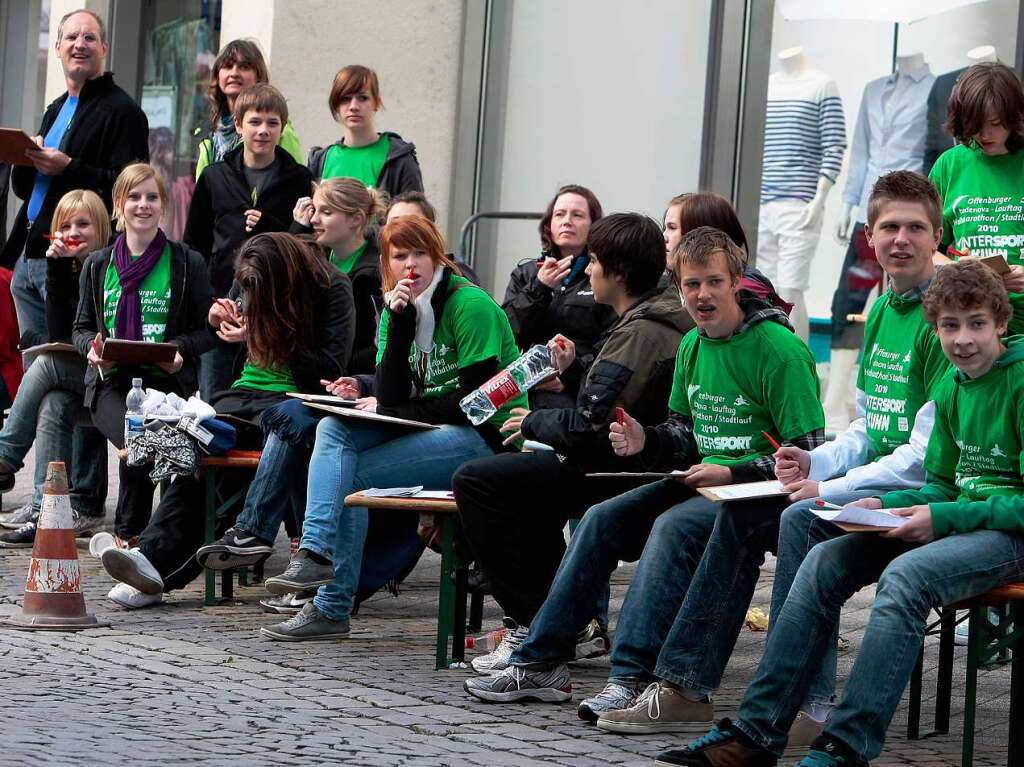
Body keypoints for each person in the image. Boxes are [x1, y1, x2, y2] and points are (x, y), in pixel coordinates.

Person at [592, 171, 952, 740]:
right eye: (889, 226)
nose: (900, 239)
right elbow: (866, 426)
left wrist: (828, 487)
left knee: (797, 520)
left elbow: (922, 454)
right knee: (738, 516)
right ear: (869, 235)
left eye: (914, 227)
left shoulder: (944, 318)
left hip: (923, 493)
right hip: (868, 479)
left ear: (938, 235)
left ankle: (807, 704)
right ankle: (686, 688)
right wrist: (817, 463)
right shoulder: (881, 308)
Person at [662, 258, 1024, 767]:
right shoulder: (949, 386)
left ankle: (846, 745)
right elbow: (942, 484)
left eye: (976, 324)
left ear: (1001, 323)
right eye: (949, 326)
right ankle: (757, 731)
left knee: (905, 577)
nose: (963, 339)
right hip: (961, 519)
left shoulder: (1019, 381)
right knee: (822, 562)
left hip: (1009, 534)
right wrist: (882, 504)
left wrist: (938, 518)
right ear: (935, 328)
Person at [464, 227, 825, 716]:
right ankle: (540, 663)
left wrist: (731, 472)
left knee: (671, 527)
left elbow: (805, 453)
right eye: (691, 284)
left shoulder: (779, 350)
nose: (702, 295)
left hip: (761, 495)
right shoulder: (695, 345)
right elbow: (684, 432)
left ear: (736, 281)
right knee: (601, 519)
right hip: (704, 484)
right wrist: (646, 440)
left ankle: (630, 677)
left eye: (714, 282)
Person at [205, 216, 522, 640]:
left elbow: (472, 405)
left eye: (420, 253)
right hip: (430, 423)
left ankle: (329, 596)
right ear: (387, 264)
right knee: (333, 430)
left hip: (487, 436)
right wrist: (402, 324)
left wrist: (400, 408)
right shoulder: (396, 307)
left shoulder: (470, 305)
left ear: (438, 256)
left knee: (347, 474)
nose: (411, 264)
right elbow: (391, 390)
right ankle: (316, 560)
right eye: (399, 255)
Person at [453, 212, 691, 672]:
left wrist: (531, 424)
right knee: (524, 488)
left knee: (478, 481)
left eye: (595, 261)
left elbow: (587, 426)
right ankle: (561, 623)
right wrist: (575, 369)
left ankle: (532, 624)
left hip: (623, 472)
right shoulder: (650, 316)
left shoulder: (641, 330)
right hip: (623, 463)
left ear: (618, 274)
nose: (587, 270)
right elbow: (612, 400)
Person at [95, 232, 354, 608]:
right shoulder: (252, 275)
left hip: (293, 400)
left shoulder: (331, 286)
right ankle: (151, 559)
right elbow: (225, 324)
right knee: (193, 447)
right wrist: (219, 317)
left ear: (284, 279)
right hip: (241, 395)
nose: (248, 297)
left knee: (225, 457)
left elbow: (331, 368)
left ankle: (159, 566)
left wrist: (266, 335)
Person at [72, 163, 214, 541]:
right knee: (138, 438)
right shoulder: (98, 264)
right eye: (134, 196)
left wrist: (181, 349)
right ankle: (129, 537)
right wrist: (92, 348)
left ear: (163, 205)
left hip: (169, 385)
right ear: (119, 204)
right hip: (112, 384)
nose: (143, 205)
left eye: (152, 197)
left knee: (154, 441)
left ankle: (155, 538)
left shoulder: (187, 262)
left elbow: (207, 331)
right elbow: (81, 328)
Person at [1, 8, 148, 343]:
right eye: (71, 37)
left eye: (89, 37)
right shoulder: (56, 108)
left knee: (61, 358)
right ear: (57, 47)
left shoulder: (124, 112)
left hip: (70, 259)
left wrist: (68, 167)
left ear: (105, 48)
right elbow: (25, 189)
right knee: (29, 358)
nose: (79, 44)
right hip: (29, 252)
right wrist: (26, 157)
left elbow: (130, 189)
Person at [184, 83, 313, 397]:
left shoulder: (298, 178)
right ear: (238, 126)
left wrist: (273, 226)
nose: (264, 131)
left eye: (272, 123)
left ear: (282, 128)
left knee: (260, 404)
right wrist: (205, 303)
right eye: (255, 122)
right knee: (215, 405)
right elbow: (194, 246)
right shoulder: (215, 176)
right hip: (222, 307)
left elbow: (307, 249)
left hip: (274, 314)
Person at [0, 190, 112, 546]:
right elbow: (60, 329)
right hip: (82, 372)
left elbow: (89, 330)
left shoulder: (108, 263)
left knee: (47, 364)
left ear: (102, 227)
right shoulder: (66, 264)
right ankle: (43, 511)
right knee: (53, 404)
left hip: (112, 373)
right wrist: (57, 268)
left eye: (83, 224)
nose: (73, 231)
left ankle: (4, 455)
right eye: (65, 225)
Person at [929, 61, 1024, 334]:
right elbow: (926, 246)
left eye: (995, 124)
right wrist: (960, 270)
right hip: (965, 319)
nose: (984, 134)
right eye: (975, 125)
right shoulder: (950, 165)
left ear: (1014, 116)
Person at [502, 184, 617, 408]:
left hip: (575, 390)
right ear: (549, 225)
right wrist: (540, 287)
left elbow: (610, 345)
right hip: (525, 385)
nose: (567, 221)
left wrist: (567, 375)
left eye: (578, 215)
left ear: (594, 225)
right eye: (560, 214)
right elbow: (506, 333)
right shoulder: (526, 274)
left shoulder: (605, 276)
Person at [291, 177, 386, 374]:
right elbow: (283, 273)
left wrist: (336, 367)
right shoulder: (315, 256)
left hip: (350, 381)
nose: (314, 219)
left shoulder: (376, 272)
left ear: (356, 219)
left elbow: (379, 344)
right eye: (313, 210)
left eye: (326, 212)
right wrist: (297, 230)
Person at [307, 64, 423, 197]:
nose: (353, 106)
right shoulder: (321, 160)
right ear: (336, 105)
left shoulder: (399, 158)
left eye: (362, 98)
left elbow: (414, 215)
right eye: (345, 99)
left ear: (377, 103)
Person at [194, 39, 303, 178]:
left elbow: (297, 183)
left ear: (258, 76)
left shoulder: (278, 130)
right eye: (228, 66)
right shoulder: (210, 132)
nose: (234, 73)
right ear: (217, 75)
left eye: (244, 67)